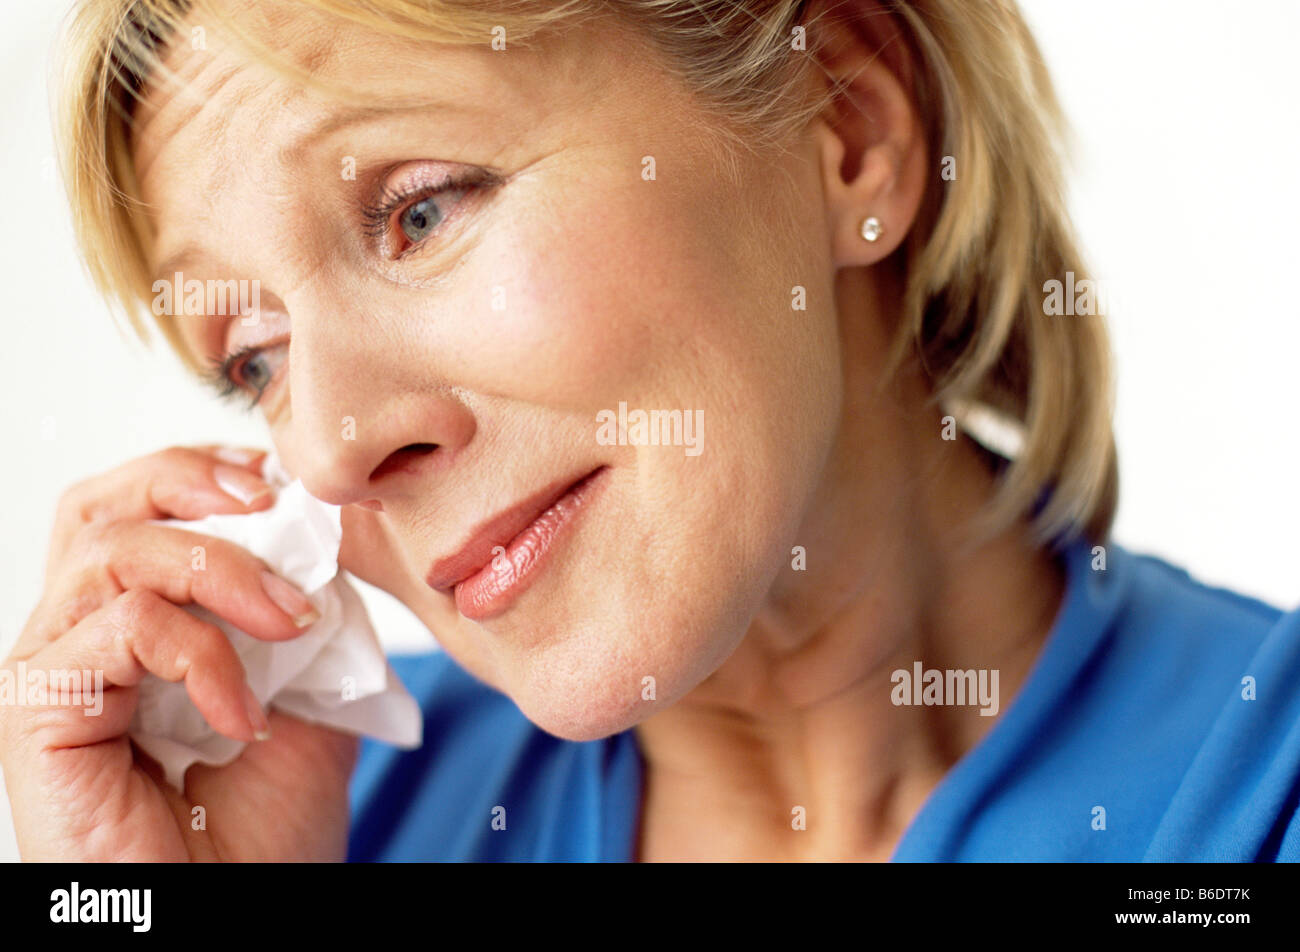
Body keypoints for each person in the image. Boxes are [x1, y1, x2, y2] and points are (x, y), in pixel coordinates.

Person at [3, 0, 1296, 861]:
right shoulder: (326, 829)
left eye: (420, 213)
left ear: (845, 128)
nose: (333, 446)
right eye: (257, 361)